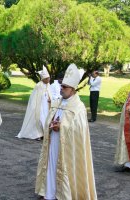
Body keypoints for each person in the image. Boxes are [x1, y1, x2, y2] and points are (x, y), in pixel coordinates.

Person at [35, 64, 97, 200]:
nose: (61, 89)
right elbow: (47, 120)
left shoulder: (78, 107)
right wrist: (50, 125)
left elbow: (80, 130)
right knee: (51, 165)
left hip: (69, 147)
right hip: (53, 142)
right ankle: (49, 193)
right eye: (61, 86)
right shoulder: (57, 102)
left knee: (65, 169)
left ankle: (64, 194)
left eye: (64, 87)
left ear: (73, 89)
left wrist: (62, 127)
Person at [16, 66, 51, 140]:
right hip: (40, 106)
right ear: (43, 79)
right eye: (47, 78)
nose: (49, 79)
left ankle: (45, 133)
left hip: (46, 106)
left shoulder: (48, 85)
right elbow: (35, 97)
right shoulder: (38, 86)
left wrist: (50, 99)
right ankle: (39, 134)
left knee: (46, 118)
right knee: (40, 119)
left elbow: (49, 94)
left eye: (49, 78)